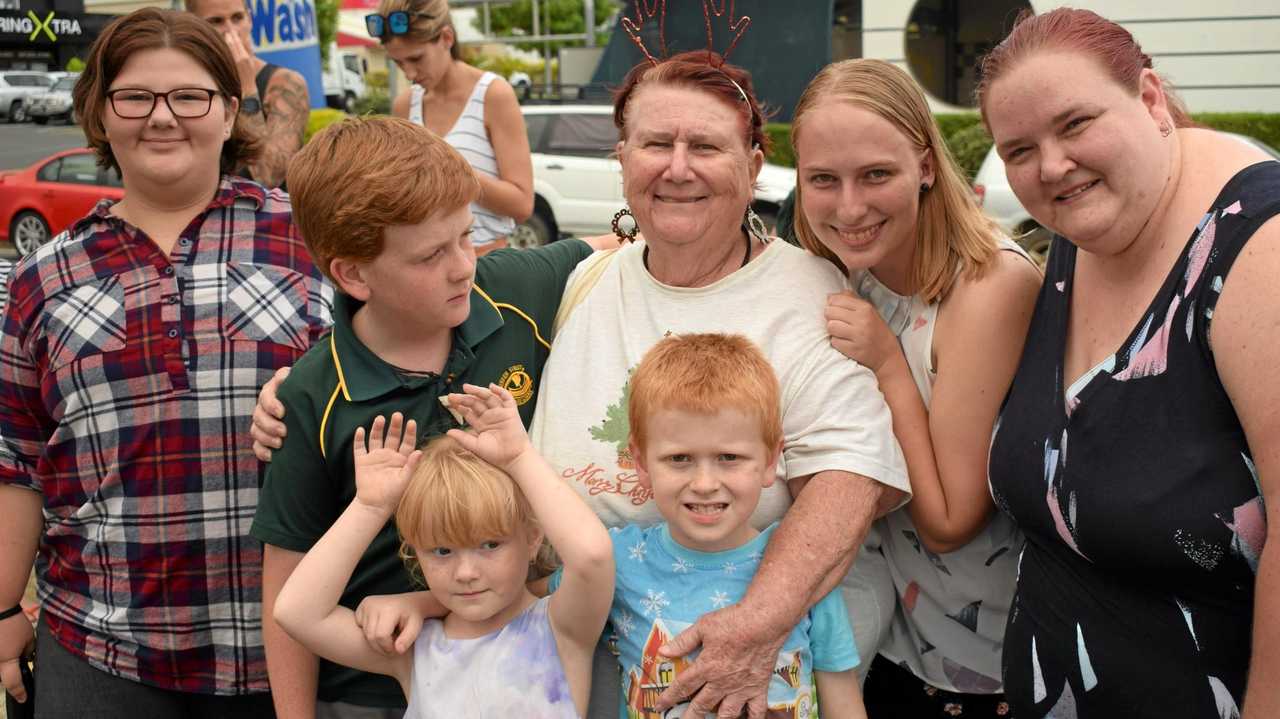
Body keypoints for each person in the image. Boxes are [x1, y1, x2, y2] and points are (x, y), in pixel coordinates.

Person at [254, 49, 911, 719]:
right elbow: (409, 306)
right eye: (656, 143)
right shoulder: (576, 281)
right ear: (622, 160)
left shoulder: (810, 295)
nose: (677, 167)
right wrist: (301, 382)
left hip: (733, 649)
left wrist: (757, 624)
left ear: (752, 165)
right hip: (542, 646)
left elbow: (848, 479)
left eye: (706, 145)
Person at [0, 8, 332, 716]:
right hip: (101, 646)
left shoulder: (311, 240)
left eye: (189, 96)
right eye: (135, 97)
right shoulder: (42, 278)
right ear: (101, 112)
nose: (162, 118)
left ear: (229, 108)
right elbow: (17, 459)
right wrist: (2, 613)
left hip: (296, 643)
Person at [978, 8, 1280, 718]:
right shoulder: (1083, 223)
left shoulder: (1255, 248)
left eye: (1076, 124)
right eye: (1019, 150)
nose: (1051, 165)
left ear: (1149, 99)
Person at [249, 116, 600, 719]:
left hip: (527, 660)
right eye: (431, 254)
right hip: (375, 680)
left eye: (466, 236)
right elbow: (287, 583)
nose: (463, 265)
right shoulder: (310, 395)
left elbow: (617, 251)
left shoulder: (515, 292)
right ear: (354, 274)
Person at [789, 59, 1042, 717]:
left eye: (876, 174)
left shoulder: (989, 287)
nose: (849, 207)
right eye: (823, 179)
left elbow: (950, 521)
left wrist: (889, 367)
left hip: (982, 672)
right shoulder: (848, 270)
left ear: (926, 165)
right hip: (886, 649)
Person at [547, 332, 865, 719]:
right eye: (679, 458)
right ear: (642, 464)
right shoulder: (618, 561)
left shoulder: (802, 573)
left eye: (729, 457)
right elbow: (530, 601)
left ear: (770, 461)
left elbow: (843, 700)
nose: (704, 483)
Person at [274, 388, 614, 718]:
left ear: (533, 539)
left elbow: (593, 556)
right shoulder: (412, 650)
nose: (465, 572)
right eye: (442, 550)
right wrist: (369, 507)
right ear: (414, 551)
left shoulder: (560, 626)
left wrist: (520, 457)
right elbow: (297, 612)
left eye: (490, 544)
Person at [368, 0, 533, 254]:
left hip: (486, 264)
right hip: (427, 271)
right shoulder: (405, 105)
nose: (409, 73)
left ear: (446, 38)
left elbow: (521, 204)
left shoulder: (493, 94)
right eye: (398, 63)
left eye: (416, 58)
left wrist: (451, 169)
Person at [187, 0, 310, 188]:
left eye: (237, 18)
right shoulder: (189, 85)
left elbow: (267, 177)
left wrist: (248, 88)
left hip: (265, 214)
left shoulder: (285, 83)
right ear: (195, 27)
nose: (231, 31)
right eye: (216, 21)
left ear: (250, 19)